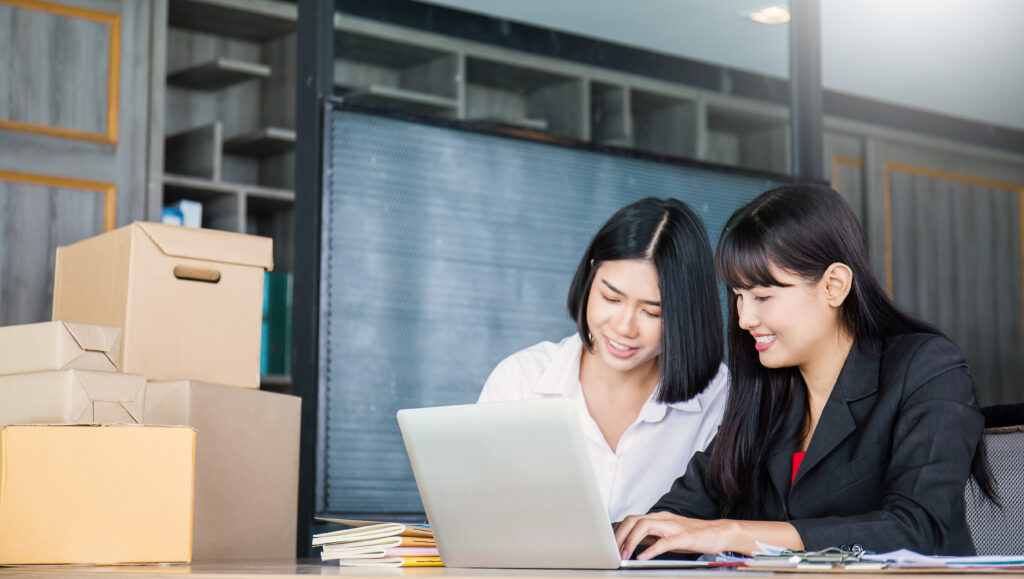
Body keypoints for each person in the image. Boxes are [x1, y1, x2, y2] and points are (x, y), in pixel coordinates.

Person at [615, 184, 995, 557]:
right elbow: (681, 519)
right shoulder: (767, 392)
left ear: (834, 285)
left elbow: (919, 528)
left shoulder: (927, 367)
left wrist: (732, 532)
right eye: (737, 296)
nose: (745, 318)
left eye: (763, 296)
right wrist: (622, 538)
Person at [478, 197, 729, 523]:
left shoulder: (720, 399)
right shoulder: (520, 382)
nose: (624, 327)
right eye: (611, 297)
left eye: (652, 311)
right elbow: (477, 519)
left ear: (685, 314)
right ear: (591, 274)